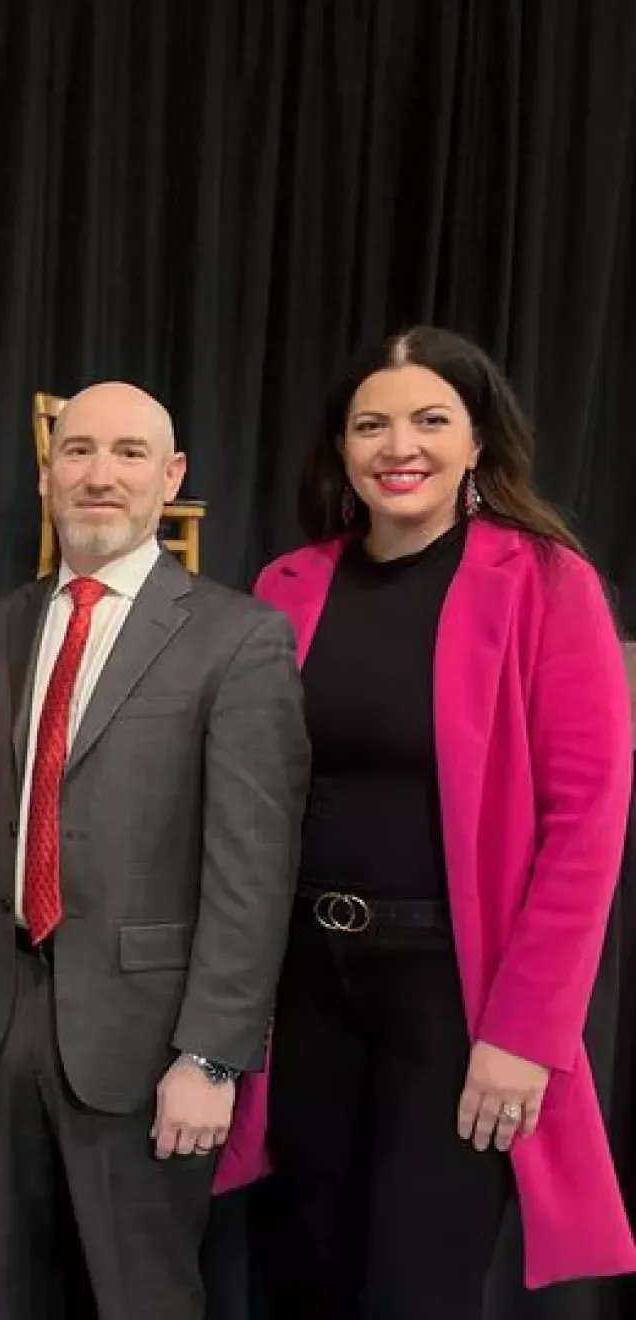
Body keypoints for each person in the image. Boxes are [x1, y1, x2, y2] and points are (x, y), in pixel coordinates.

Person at [225, 326, 636, 1316]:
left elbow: (585, 825)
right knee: (301, 1280)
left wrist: (526, 1034)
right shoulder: (285, 586)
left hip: (455, 1000)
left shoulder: (546, 583)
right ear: (341, 447)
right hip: (302, 993)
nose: (397, 446)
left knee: (414, 1290)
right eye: (370, 425)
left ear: (476, 442)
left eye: (428, 420)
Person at [0, 381, 309, 1320]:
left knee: (141, 1298)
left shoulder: (239, 638)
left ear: (171, 476)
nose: (99, 475)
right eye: (78, 451)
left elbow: (253, 872)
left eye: (129, 453)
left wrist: (213, 1059)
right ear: (45, 473)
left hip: (150, 1047)